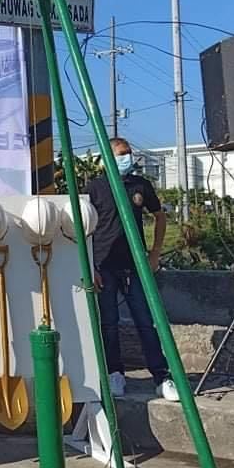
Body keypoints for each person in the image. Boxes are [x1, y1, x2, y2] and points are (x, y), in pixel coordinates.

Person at [86, 138, 179, 402]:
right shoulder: (94, 188)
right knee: (109, 323)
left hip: (135, 264)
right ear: (107, 158)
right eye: (121, 154)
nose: (127, 158)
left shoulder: (140, 185)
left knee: (146, 321)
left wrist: (155, 253)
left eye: (128, 153)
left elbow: (159, 215)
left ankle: (161, 376)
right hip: (104, 264)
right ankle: (115, 373)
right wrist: (90, 266)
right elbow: (83, 227)